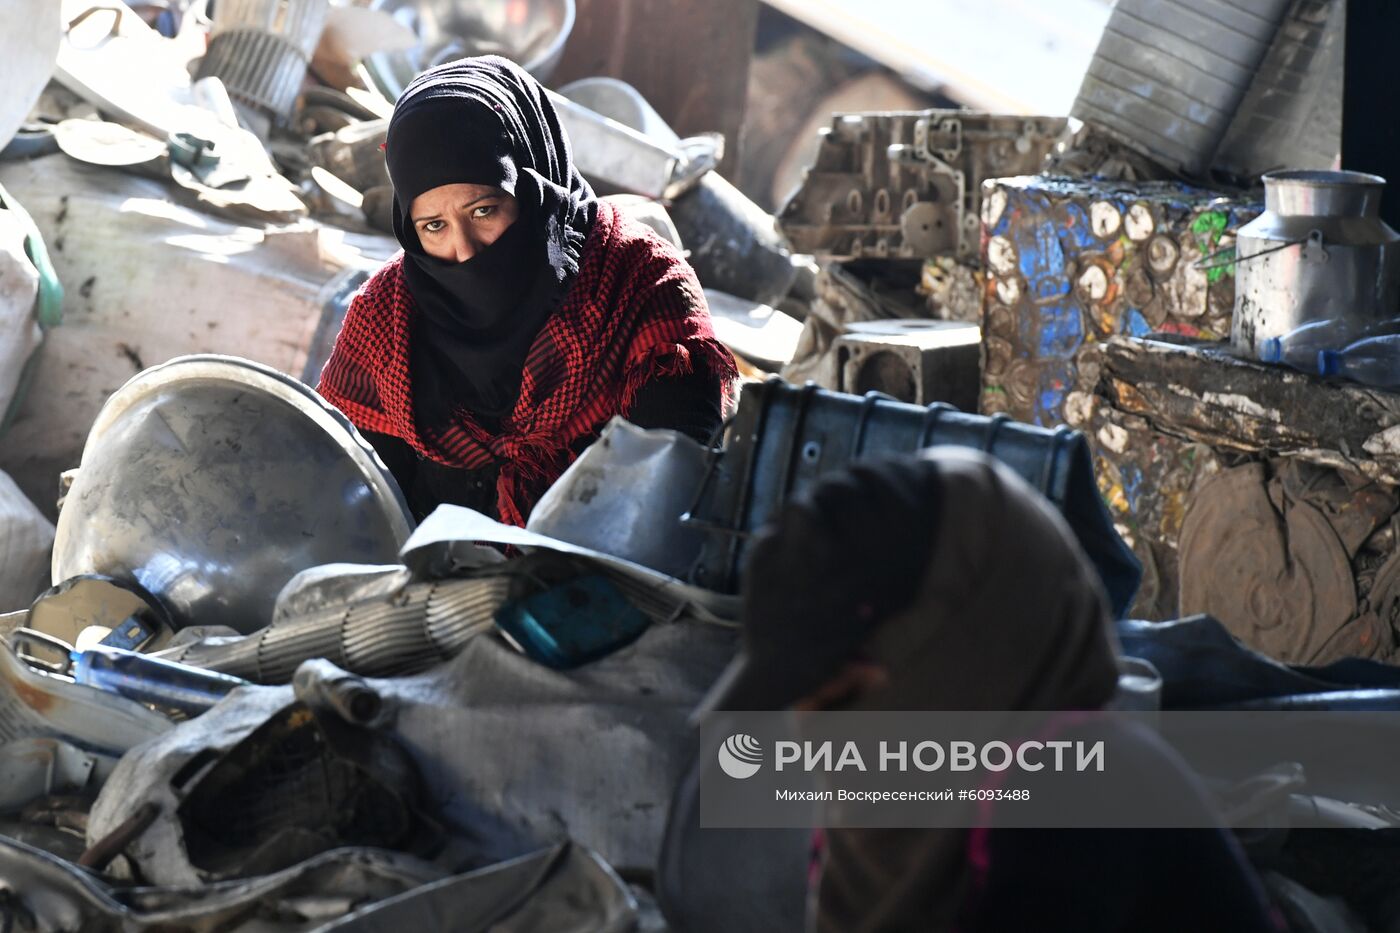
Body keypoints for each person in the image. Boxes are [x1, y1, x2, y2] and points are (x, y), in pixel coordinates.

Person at [697, 448, 1284, 933]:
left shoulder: (1083, 796)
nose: (811, 724)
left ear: (959, 648)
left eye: (843, 692)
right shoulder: (914, 801)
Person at [318, 56, 737, 526]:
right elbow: (346, 509)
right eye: (434, 226)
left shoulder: (641, 287)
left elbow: (667, 507)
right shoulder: (387, 323)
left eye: (483, 211)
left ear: (536, 182)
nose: (465, 251)